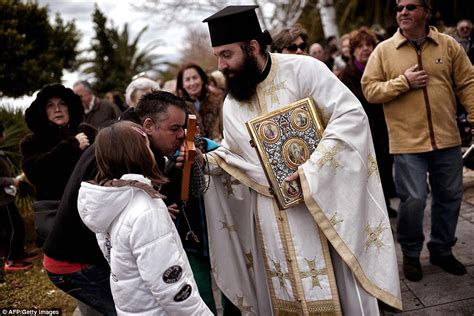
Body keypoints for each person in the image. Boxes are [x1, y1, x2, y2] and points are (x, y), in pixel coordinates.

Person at [202, 5, 401, 315]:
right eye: (217, 56)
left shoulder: (304, 70)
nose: (221, 65)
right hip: (270, 215)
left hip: (320, 205)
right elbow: (237, 153)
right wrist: (209, 164)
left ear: (252, 47)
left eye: (226, 54)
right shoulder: (232, 103)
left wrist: (312, 169)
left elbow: (349, 116)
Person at [361, 0, 473, 282]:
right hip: (407, 144)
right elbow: (370, 90)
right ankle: (411, 254)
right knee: (413, 200)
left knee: (449, 197)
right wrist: (403, 82)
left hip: (447, 139)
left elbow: (467, 83)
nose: (403, 12)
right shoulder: (384, 50)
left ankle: (442, 249)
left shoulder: (448, 45)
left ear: (426, 11)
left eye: (411, 7)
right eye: (399, 8)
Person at [77, 121, 211, 315]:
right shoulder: (146, 209)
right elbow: (171, 287)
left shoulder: (110, 202)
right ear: (140, 154)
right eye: (147, 146)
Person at [20, 83, 96, 245]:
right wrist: (70, 147)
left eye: (62, 104)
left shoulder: (86, 132)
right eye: (50, 105)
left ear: (70, 108)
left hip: (90, 210)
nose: (57, 109)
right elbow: (34, 172)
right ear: (43, 111)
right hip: (56, 215)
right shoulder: (33, 141)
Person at [340, 27, 397, 218]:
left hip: (383, 125)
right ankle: (378, 206)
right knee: (370, 169)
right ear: (353, 50)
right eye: (360, 46)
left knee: (385, 163)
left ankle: (387, 200)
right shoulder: (346, 75)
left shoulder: (382, 69)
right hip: (362, 129)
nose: (365, 49)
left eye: (369, 45)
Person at [0, 123, 37, 273]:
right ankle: (11, 260)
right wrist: (12, 181)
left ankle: (19, 254)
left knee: (17, 226)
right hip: (2, 200)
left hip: (6, 197)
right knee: (12, 229)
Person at [176, 63, 223, 141]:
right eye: (187, 79)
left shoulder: (219, 100)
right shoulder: (178, 107)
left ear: (202, 79)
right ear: (182, 85)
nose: (192, 83)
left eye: (195, 78)